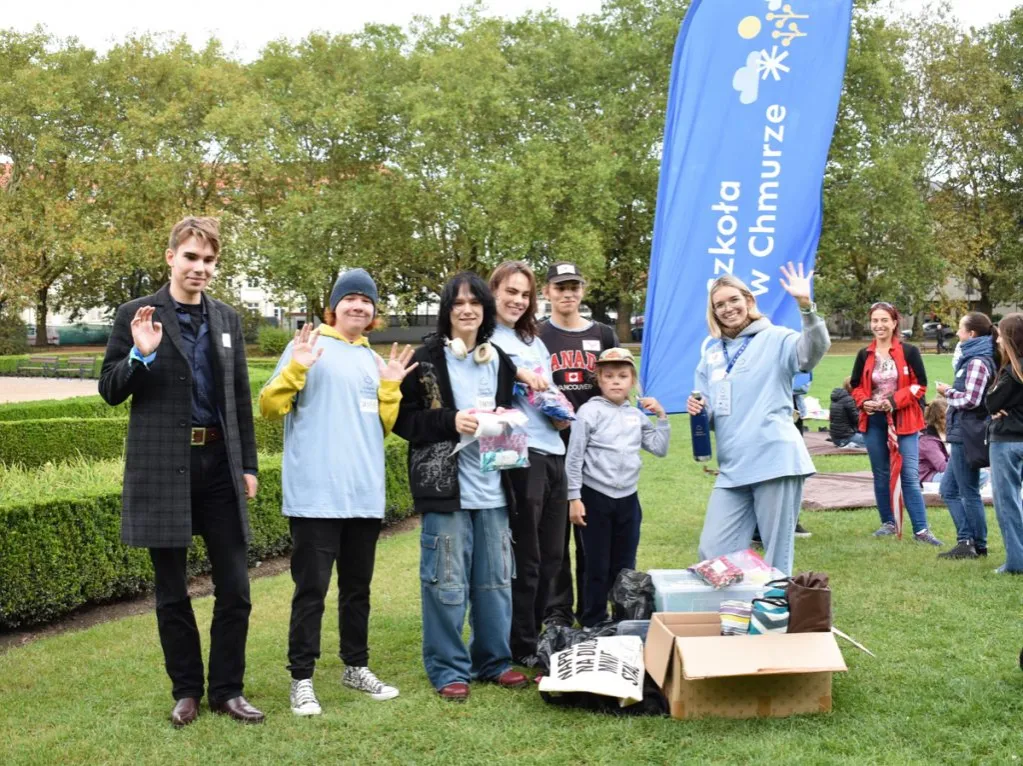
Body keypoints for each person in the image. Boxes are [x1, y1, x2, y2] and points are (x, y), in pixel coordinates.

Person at [98, 217, 263, 727]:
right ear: (170, 256)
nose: (201, 268)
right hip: (163, 467)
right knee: (171, 591)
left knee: (235, 586)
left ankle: (228, 690)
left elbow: (237, 399)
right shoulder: (136, 314)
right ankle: (187, 690)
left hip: (219, 464)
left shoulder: (228, 319)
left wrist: (249, 465)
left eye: (209, 260)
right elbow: (109, 389)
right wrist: (140, 356)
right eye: (191, 257)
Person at [260, 269, 417, 716]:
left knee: (357, 590)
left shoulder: (372, 359)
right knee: (311, 591)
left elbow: (382, 427)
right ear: (335, 306)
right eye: (350, 299)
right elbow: (269, 407)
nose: (358, 307)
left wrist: (390, 386)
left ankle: (356, 666)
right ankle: (302, 679)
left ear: (373, 312)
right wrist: (296, 367)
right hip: (315, 496)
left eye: (366, 302)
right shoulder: (308, 347)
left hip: (363, 495)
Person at [393, 272, 529, 702]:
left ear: (486, 311)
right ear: (447, 311)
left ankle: (493, 661)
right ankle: (449, 668)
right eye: (458, 303)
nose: (467, 309)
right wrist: (450, 421)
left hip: (494, 488)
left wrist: (505, 419)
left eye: (475, 302)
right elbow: (403, 421)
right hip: (446, 491)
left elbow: (513, 413)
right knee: (446, 584)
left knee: (495, 582)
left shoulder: (499, 360)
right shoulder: (425, 360)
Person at [687, 263, 830, 576]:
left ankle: (772, 616)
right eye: (719, 304)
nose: (728, 308)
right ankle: (734, 611)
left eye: (733, 300)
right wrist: (701, 411)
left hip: (774, 460)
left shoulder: (776, 338)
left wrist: (806, 306)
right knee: (712, 551)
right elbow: (712, 409)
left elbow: (811, 354)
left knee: (776, 556)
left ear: (748, 301)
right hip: (732, 467)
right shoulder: (711, 353)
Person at [488, 261, 569, 667]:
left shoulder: (534, 341)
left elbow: (548, 392)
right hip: (516, 449)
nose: (518, 301)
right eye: (511, 292)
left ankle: (535, 633)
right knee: (527, 555)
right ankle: (519, 642)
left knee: (553, 554)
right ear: (494, 291)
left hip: (553, 448)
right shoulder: (485, 336)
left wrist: (559, 412)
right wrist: (515, 372)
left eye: (524, 294)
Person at [538, 261, 618, 628]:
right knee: (554, 537)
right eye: (560, 287)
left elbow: (618, 384)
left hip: (597, 451)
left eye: (573, 286)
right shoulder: (537, 335)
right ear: (547, 292)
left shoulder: (603, 333)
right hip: (552, 444)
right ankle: (556, 612)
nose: (567, 293)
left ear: (582, 291)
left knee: (593, 534)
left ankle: (592, 610)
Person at [567, 347, 670, 627]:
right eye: (608, 376)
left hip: (627, 498)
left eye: (622, 376)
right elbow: (574, 456)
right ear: (598, 380)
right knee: (596, 564)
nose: (615, 381)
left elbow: (659, 448)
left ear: (632, 382)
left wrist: (661, 416)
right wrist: (574, 497)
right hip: (594, 496)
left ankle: (622, 619)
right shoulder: (588, 412)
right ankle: (593, 619)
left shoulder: (636, 416)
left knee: (625, 565)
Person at [850, 302, 943, 546]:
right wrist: (865, 402)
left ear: (893, 323)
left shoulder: (909, 351)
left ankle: (921, 529)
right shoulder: (864, 354)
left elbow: (919, 384)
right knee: (880, 473)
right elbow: (856, 385)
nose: (879, 325)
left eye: (884, 320)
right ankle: (888, 523)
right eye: (875, 321)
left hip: (904, 420)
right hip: (874, 421)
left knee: (909, 475)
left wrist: (893, 401)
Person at [934, 313, 998, 560]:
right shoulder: (972, 358)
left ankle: (975, 544)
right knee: (948, 489)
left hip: (967, 433)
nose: (957, 333)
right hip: (963, 431)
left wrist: (946, 392)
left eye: (960, 329)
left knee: (967, 490)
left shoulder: (977, 362)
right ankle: (967, 541)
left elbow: (972, 399)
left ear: (971, 334)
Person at [986, 314, 1023, 574]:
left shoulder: (1012, 372)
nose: (997, 339)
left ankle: (1016, 562)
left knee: (1007, 502)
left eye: (1000, 334)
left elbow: (990, 403)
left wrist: (995, 405)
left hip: (1007, 442)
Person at [919, 398, 949, 485]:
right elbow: (943, 467)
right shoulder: (928, 441)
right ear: (941, 418)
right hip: (928, 478)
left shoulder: (939, 434)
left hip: (936, 473)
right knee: (981, 475)